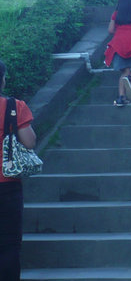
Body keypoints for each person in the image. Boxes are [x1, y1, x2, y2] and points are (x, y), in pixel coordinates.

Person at [0, 59, 36, 281]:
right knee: (9, 244)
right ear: (2, 80)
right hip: (8, 185)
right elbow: (29, 142)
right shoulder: (14, 107)